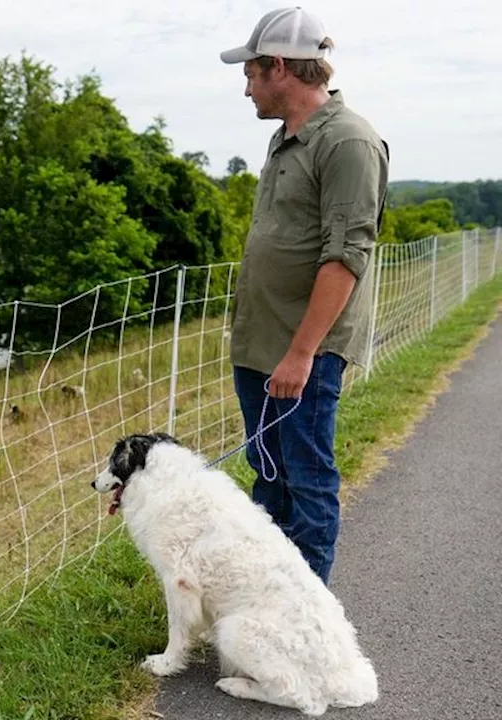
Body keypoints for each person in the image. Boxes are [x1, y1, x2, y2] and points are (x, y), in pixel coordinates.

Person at [219, 7, 389, 585]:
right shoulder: (284, 138)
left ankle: (307, 621)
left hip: (301, 352)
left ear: (279, 68)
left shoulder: (348, 142)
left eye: (251, 73)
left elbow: (344, 257)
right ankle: (265, 600)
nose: (246, 87)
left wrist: (302, 353)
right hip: (261, 342)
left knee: (306, 479)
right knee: (268, 473)